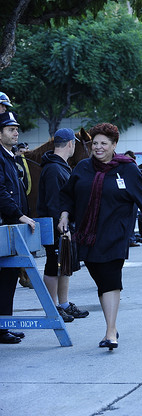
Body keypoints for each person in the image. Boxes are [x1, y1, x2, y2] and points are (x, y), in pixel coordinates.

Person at [59, 122, 142, 350]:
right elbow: (68, 195)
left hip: (115, 234)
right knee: (101, 281)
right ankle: (111, 326)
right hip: (88, 236)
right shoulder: (83, 168)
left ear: (114, 145)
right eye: (95, 143)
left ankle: (110, 331)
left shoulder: (127, 169)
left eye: (104, 143)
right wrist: (64, 214)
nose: (98, 147)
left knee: (110, 279)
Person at [38, 128, 89, 323]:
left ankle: (64, 304)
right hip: (55, 226)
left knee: (64, 265)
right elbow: (53, 203)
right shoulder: (53, 168)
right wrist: (61, 226)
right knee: (53, 265)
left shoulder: (61, 166)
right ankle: (53, 308)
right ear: (70, 144)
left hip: (63, 225)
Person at [0, 111, 37, 344]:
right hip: (6, 224)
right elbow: (1, 192)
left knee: (9, 277)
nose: (16, 133)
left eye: (16, 129)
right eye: (11, 129)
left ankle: (4, 325)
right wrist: (19, 215)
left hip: (12, 225)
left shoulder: (10, 156)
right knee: (4, 278)